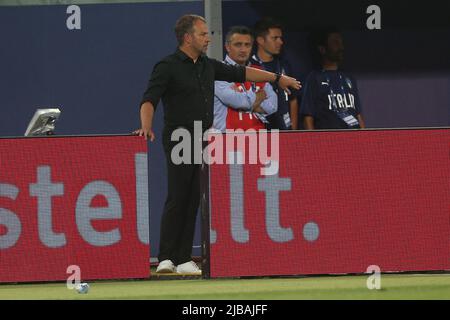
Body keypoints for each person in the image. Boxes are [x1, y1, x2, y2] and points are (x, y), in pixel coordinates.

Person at [134, 14, 300, 275]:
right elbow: (149, 99)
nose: (208, 38)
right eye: (202, 34)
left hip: (204, 136)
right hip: (180, 136)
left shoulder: (208, 65)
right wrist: (146, 125)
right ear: (188, 38)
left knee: (193, 199)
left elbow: (243, 72)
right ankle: (166, 257)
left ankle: (183, 258)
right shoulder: (166, 66)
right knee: (178, 195)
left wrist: (277, 80)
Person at [213, 26, 277, 132]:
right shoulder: (219, 72)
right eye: (238, 45)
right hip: (228, 139)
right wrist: (258, 97)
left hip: (258, 138)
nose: (243, 49)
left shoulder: (258, 72)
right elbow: (237, 101)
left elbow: (272, 106)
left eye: (247, 45)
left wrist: (244, 103)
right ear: (227, 47)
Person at [300, 27, 366, 129]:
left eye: (341, 42)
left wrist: (365, 139)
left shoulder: (349, 78)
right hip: (329, 141)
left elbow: (358, 114)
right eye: (335, 43)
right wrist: (312, 143)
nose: (341, 47)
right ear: (322, 49)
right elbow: (308, 118)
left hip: (353, 139)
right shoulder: (314, 78)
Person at [251, 17, 300, 130]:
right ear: (260, 40)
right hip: (260, 130)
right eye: (275, 38)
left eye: (280, 38)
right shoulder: (250, 67)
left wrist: (294, 132)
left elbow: (293, 100)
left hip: (284, 130)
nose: (280, 42)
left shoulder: (284, 66)